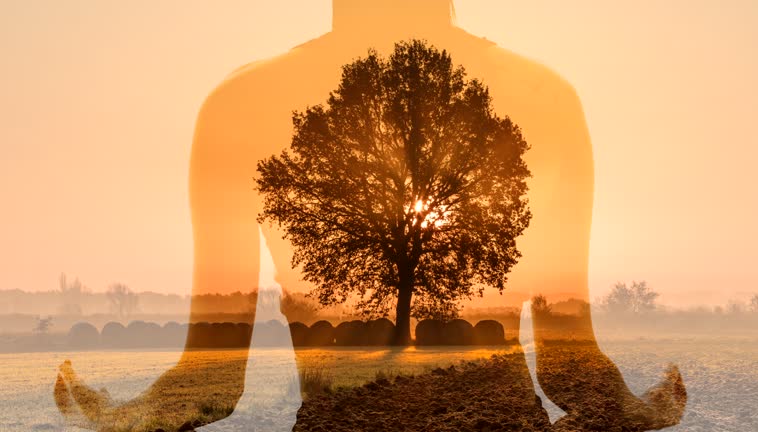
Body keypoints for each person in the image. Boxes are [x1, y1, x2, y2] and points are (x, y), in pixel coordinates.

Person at [54, 1, 685, 430]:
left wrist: (113, 416)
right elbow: (574, 378)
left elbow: (210, 386)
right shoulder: (544, 99)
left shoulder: (239, 105)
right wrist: (647, 410)